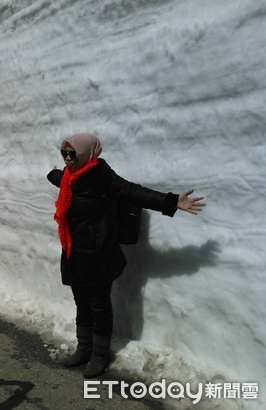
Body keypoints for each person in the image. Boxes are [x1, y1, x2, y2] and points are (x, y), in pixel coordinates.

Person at [47, 133, 205, 378]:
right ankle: (84, 349)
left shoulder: (101, 177)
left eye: (72, 154)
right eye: (64, 153)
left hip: (99, 254)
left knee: (99, 306)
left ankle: (99, 355)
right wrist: (52, 174)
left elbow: (133, 192)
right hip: (74, 253)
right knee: (82, 303)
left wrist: (172, 202)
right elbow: (58, 177)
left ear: (88, 153)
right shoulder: (68, 178)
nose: (68, 159)